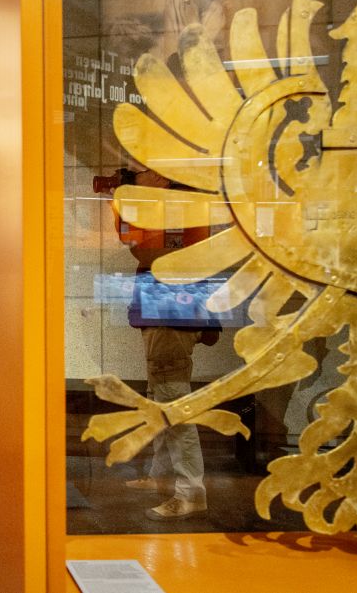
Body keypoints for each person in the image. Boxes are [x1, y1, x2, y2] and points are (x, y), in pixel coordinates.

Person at [112, 168, 217, 520]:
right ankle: (161, 476)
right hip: (165, 309)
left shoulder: (179, 208)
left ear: (162, 176)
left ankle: (190, 491)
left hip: (171, 310)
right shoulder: (172, 206)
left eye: (144, 170)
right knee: (161, 395)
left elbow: (146, 255)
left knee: (173, 398)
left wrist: (129, 203)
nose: (136, 175)